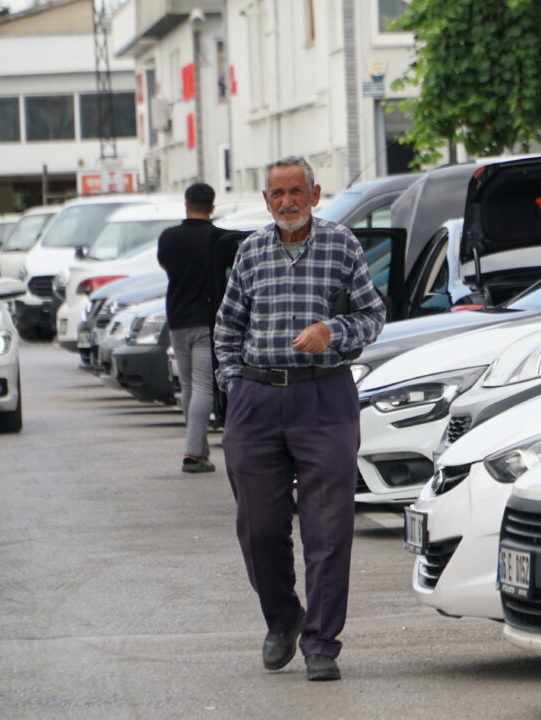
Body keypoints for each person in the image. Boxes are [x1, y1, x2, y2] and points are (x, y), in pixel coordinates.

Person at [214, 156, 384, 682]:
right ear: (266, 201)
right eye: (277, 193)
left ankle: (322, 644)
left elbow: (373, 315)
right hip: (257, 400)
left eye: (296, 191)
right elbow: (227, 325)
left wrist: (332, 331)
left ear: (314, 193)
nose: (287, 201)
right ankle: (283, 619)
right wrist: (235, 384)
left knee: (328, 528)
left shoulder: (342, 245)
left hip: (324, 399)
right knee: (259, 527)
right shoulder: (251, 250)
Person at [157, 182, 227, 474]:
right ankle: (192, 453)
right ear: (212, 207)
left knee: (187, 386)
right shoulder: (218, 239)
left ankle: (199, 451)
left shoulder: (168, 238)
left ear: (186, 205)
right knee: (203, 387)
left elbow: (165, 265)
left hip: (177, 319)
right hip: (206, 321)